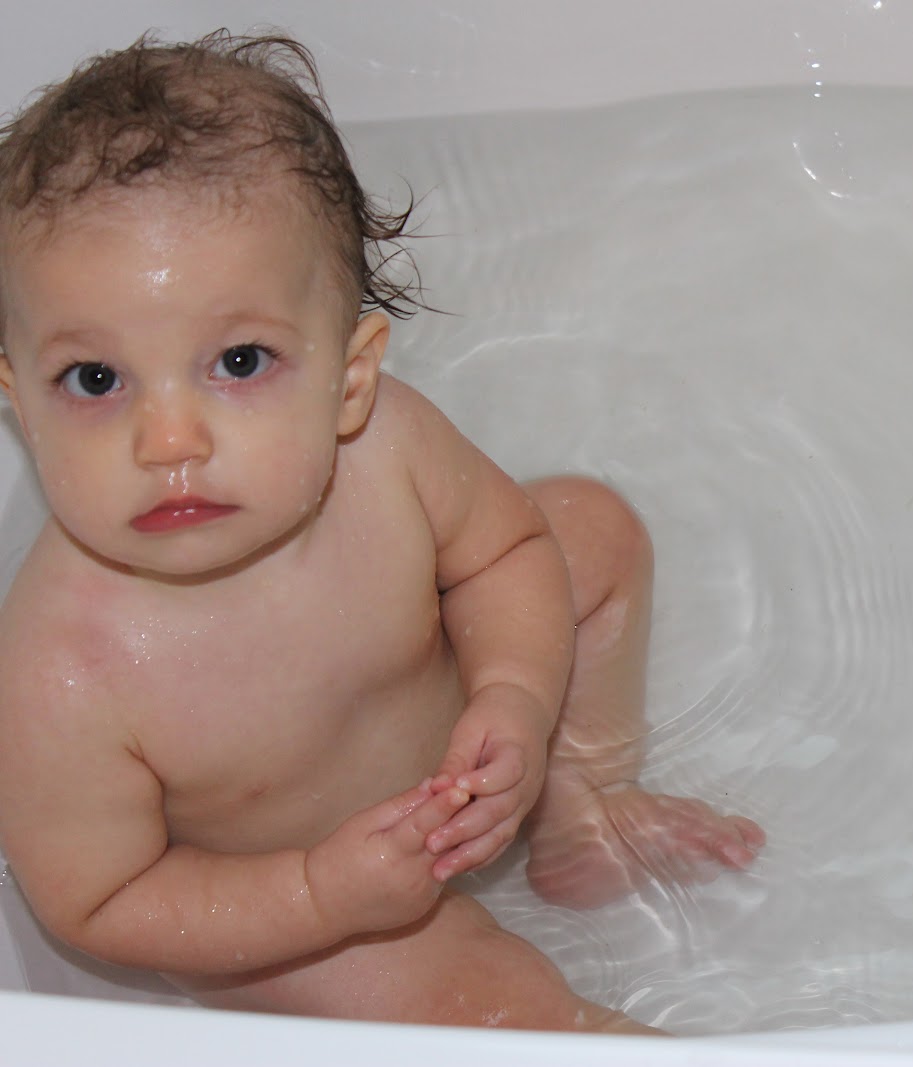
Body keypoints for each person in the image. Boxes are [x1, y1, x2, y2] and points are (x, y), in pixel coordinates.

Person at [0, 31, 764, 1033]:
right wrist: (321, 892)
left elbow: (508, 552)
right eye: (95, 379)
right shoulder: (62, 667)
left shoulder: (389, 448)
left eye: (238, 360)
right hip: (302, 916)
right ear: (19, 401)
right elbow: (96, 901)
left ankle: (583, 796)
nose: (170, 438)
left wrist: (517, 698)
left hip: (470, 757)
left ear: (350, 377)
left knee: (591, 528)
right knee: (504, 1012)